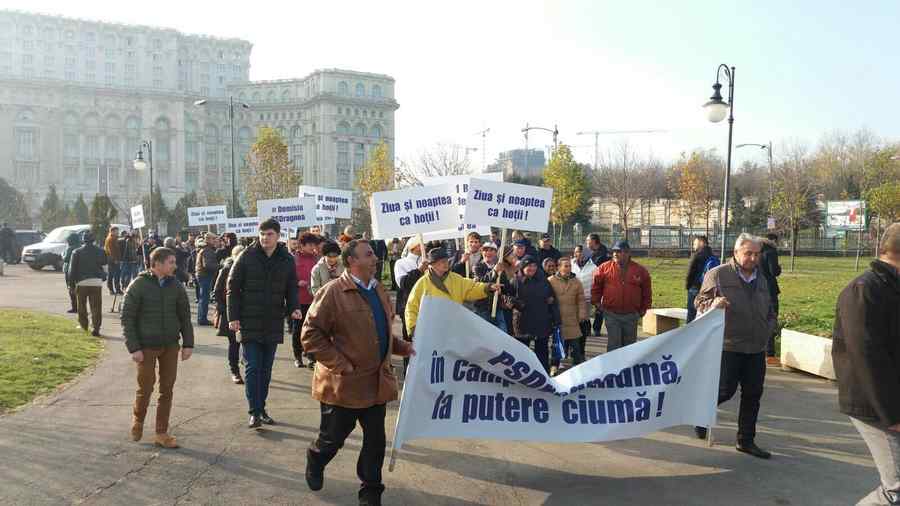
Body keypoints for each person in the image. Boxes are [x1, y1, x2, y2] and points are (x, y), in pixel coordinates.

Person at [301, 239, 415, 505]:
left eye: (374, 254)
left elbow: (380, 332)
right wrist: (342, 365)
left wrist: (403, 347)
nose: (375, 258)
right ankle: (316, 459)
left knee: (375, 441)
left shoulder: (380, 291)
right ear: (351, 261)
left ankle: (371, 491)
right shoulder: (332, 292)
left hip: (376, 383)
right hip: (343, 385)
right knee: (332, 440)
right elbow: (310, 335)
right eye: (369, 254)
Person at [832, 223, 900, 506]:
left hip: (889, 402)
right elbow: (867, 358)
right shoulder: (863, 290)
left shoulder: (892, 287)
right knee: (897, 489)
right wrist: (893, 416)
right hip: (875, 406)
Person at [694, 233, 776, 459]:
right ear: (736, 253)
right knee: (725, 390)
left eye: (757, 254)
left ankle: (746, 440)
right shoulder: (718, 274)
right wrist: (713, 303)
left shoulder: (762, 279)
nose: (753, 258)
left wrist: (769, 327)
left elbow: (770, 308)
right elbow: (699, 303)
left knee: (753, 394)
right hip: (727, 345)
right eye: (748, 253)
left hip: (756, 347)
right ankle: (700, 414)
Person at [227, 218, 301, 428]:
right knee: (252, 367)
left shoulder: (286, 259)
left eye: (269, 234)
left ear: (278, 236)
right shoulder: (246, 256)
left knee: (266, 369)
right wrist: (233, 317)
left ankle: (261, 408)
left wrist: (294, 307)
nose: (264, 238)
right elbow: (232, 288)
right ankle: (254, 411)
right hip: (249, 320)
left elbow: (291, 287)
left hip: (272, 320)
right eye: (262, 234)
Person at [121, 247, 194, 449]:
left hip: (170, 345)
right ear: (157, 264)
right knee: (145, 387)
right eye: (171, 262)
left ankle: (161, 433)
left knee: (167, 389)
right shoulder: (138, 285)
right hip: (145, 347)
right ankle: (138, 420)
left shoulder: (176, 285)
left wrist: (188, 344)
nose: (175, 265)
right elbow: (127, 318)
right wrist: (133, 347)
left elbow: (185, 317)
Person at [404, 247, 495, 337]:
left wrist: (488, 287)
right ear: (433, 264)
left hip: (453, 327)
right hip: (432, 330)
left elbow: (471, 287)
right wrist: (413, 327)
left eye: (446, 260)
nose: (446, 263)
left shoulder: (455, 278)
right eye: (442, 261)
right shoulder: (422, 283)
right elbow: (411, 307)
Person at [591, 241, 651, 352]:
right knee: (614, 345)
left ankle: (628, 368)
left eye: (618, 251)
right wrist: (597, 304)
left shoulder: (640, 271)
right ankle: (612, 368)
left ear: (628, 253)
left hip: (631, 315)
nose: (615, 254)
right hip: (611, 314)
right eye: (614, 251)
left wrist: (643, 309)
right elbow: (596, 287)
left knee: (629, 346)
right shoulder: (604, 268)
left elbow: (647, 292)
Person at [511, 256, 560, 373]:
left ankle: (544, 375)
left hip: (541, 321)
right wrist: (515, 302)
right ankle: (521, 376)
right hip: (522, 323)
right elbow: (507, 298)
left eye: (534, 266)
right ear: (522, 267)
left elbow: (552, 299)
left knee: (542, 352)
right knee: (522, 353)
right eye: (528, 266)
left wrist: (556, 318)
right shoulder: (515, 281)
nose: (531, 268)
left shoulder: (543, 280)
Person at [549, 257, 589, 374]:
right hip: (558, 318)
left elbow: (581, 299)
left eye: (569, 266)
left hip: (572, 318)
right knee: (557, 345)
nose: (568, 268)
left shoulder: (576, 282)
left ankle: (577, 366)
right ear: (559, 267)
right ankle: (554, 366)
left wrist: (582, 313)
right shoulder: (551, 280)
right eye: (565, 266)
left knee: (576, 345)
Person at [214, 244, 245, 385]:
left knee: (247, 341)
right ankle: (234, 370)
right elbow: (217, 291)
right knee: (234, 343)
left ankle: (247, 364)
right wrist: (223, 309)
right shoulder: (226, 270)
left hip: (247, 312)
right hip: (231, 313)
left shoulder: (249, 269)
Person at [69, 232, 108, 337]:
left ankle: (84, 325)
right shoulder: (100, 251)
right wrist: (103, 277)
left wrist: (71, 284)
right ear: (93, 240)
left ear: (83, 240)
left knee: (81, 306)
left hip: (81, 282)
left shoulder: (76, 252)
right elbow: (105, 266)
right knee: (96, 307)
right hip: (96, 282)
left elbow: (72, 271)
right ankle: (96, 328)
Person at [292, 232, 321, 369]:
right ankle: (297, 357)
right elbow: (287, 278)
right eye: (309, 245)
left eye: (314, 245)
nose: (312, 247)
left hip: (314, 300)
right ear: (302, 245)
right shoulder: (293, 259)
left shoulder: (317, 259)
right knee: (298, 330)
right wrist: (297, 283)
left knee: (312, 330)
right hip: (298, 300)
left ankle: (311, 357)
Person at [473, 243, 515, 332]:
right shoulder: (477, 267)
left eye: (491, 250)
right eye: (486, 250)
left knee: (502, 335)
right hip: (482, 308)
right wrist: (494, 271)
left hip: (497, 308)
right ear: (481, 252)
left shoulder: (500, 268)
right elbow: (480, 282)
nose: (488, 253)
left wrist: (502, 289)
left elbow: (507, 288)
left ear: (496, 253)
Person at [685, 236, 719, 323]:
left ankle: (689, 333)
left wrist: (688, 286)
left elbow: (690, 272)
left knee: (691, 313)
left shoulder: (697, 255)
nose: (694, 246)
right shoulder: (713, 256)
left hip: (695, 288)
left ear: (701, 243)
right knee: (704, 312)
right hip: (708, 289)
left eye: (695, 243)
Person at [760, 233, 782, 363]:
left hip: (757, 287)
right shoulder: (771, 251)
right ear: (773, 240)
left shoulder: (757, 249)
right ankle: (769, 353)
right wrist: (779, 268)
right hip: (770, 288)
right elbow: (774, 271)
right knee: (771, 318)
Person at [584, 233, 611, 336]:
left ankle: (596, 328)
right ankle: (586, 328)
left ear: (594, 241)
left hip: (601, 284)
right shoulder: (589, 252)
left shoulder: (604, 254)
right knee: (586, 305)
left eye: (588, 241)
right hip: (588, 282)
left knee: (599, 306)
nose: (587, 243)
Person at [195, 233, 218, 326]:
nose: (215, 241)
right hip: (205, 275)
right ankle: (202, 318)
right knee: (204, 298)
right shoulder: (207, 250)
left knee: (203, 297)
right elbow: (207, 265)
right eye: (214, 239)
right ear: (208, 240)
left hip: (203, 274)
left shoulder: (205, 249)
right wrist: (220, 265)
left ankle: (201, 318)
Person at [63, 232, 83, 314]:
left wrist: (62, 254)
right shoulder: (80, 247)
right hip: (80, 271)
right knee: (80, 290)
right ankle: (81, 307)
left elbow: (66, 259)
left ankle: (74, 307)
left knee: (71, 289)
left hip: (70, 271)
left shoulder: (70, 248)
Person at [104, 226, 122, 295]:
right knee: (114, 275)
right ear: (112, 231)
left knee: (113, 274)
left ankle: (115, 289)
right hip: (112, 259)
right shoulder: (110, 239)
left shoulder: (114, 238)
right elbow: (111, 251)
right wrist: (115, 259)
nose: (118, 232)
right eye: (116, 231)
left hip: (113, 259)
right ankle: (113, 289)